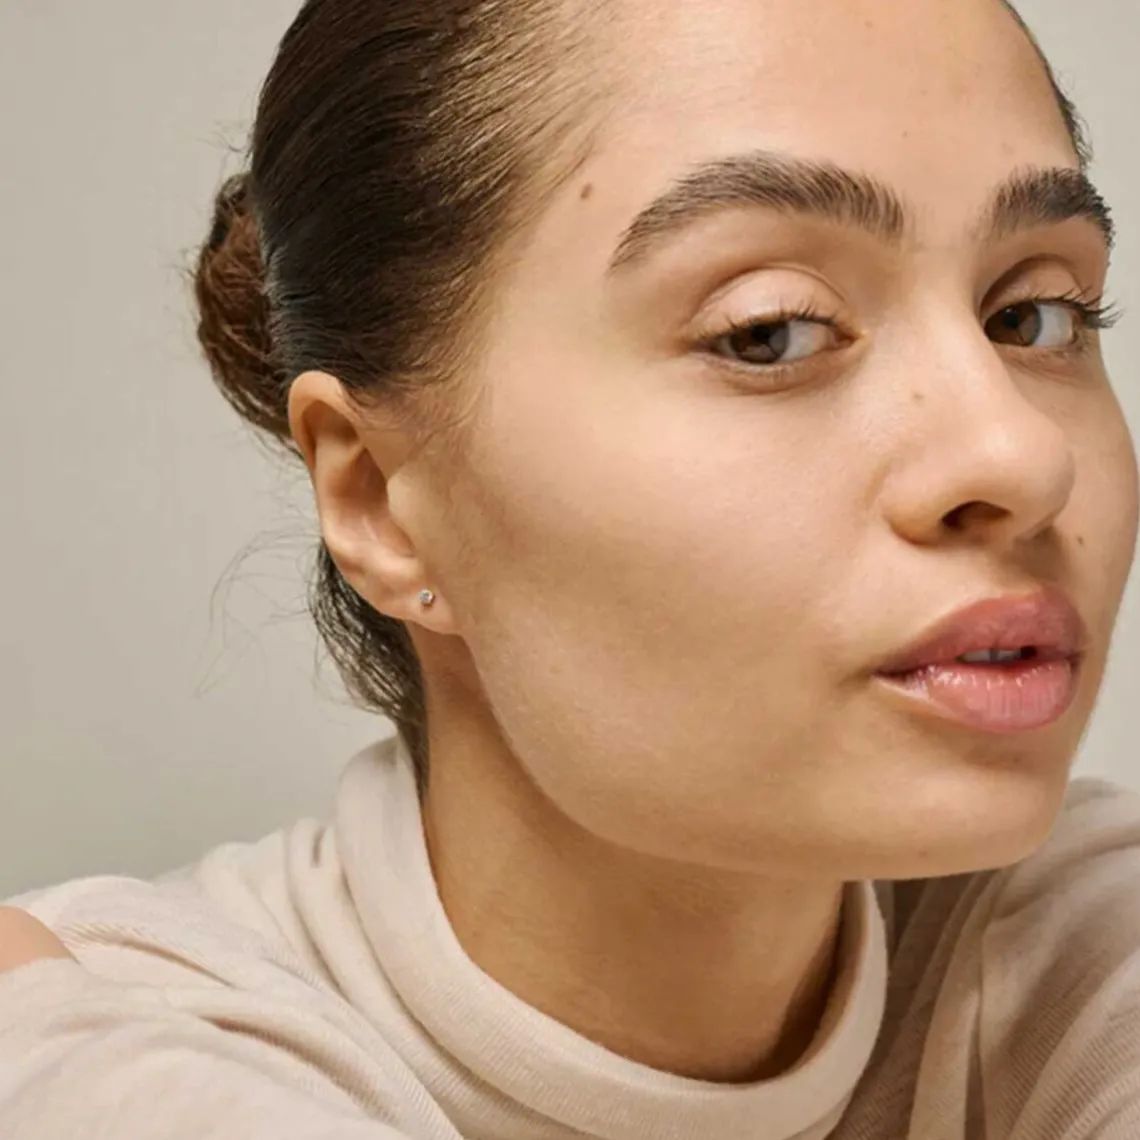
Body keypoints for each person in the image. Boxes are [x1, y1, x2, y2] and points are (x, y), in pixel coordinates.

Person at [1, 0, 1138, 1136]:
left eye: (1034, 316)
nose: (1021, 456)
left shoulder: (1080, 961)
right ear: (383, 500)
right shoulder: (86, 1040)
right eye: (769, 332)